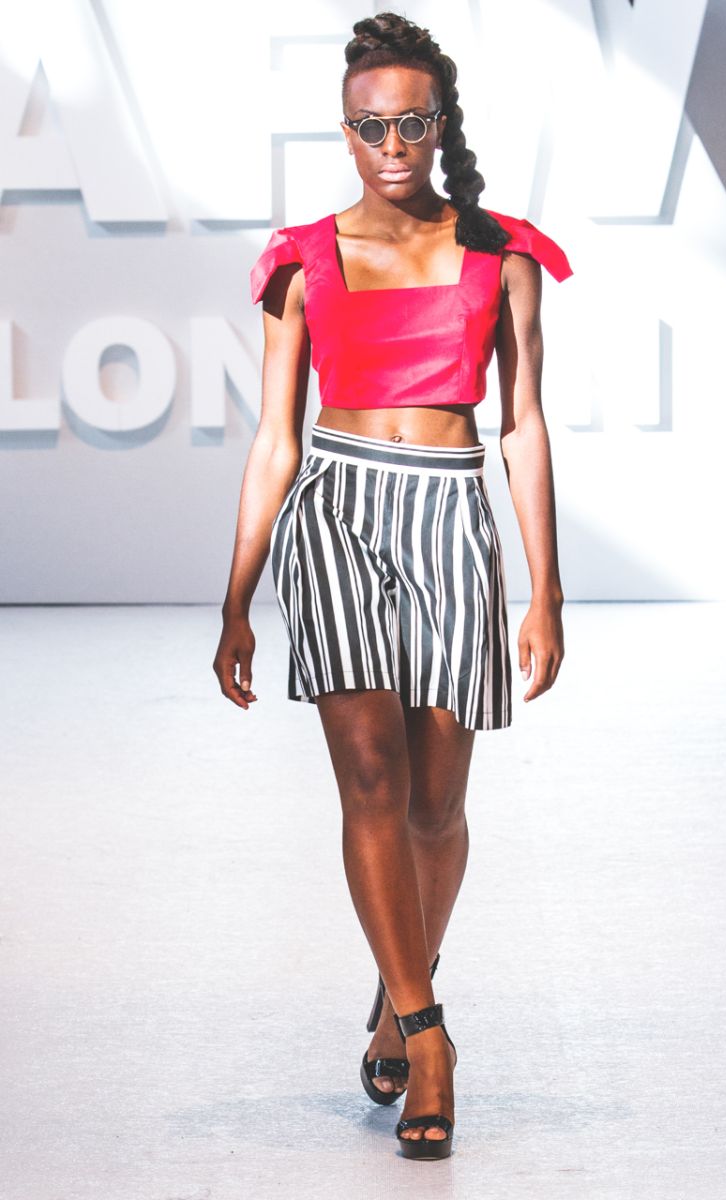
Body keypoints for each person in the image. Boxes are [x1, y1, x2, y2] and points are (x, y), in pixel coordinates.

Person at [213, 9, 572, 1161]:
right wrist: (235, 597)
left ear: (438, 123)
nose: (390, 145)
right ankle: (426, 1036)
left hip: (449, 513)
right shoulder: (301, 262)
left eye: (410, 122)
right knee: (369, 780)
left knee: (433, 805)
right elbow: (275, 438)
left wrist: (545, 591)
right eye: (369, 126)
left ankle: (393, 982)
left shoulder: (500, 254)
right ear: (344, 131)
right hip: (338, 515)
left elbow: (521, 426)